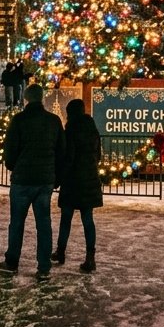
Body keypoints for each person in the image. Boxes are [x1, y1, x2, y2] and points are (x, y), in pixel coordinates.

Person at [0, 83, 66, 279]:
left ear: (25, 99)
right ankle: (43, 266)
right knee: (44, 223)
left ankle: (12, 261)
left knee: (16, 222)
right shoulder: (53, 121)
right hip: (45, 180)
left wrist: (14, 167)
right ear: (42, 98)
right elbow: (61, 151)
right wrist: (55, 178)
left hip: (22, 179)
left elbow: (10, 151)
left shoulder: (19, 120)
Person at [52, 98, 104, 266]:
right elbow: (98, 156)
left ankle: (60, 252)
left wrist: (59, 179)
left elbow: (69, 158)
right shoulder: (92, 129)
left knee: (66, 219)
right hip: (89, 180)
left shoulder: (71, 130)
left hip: (73, 181)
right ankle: (90, 256)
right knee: (88, 219)